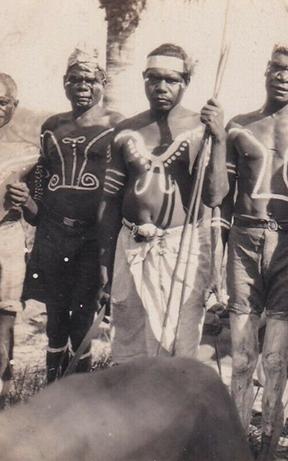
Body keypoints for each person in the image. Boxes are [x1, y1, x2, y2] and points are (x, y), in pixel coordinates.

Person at [222, 44, 288, 449]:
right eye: (277, 68)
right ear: (266, 71)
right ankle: (233, 442)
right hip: (245, 236)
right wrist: (221, 252)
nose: (283, 77)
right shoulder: (239, 125)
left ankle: (268, 444)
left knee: (276, 358)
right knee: (242, 356)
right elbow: (226, 198)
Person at [97, 43, 228, 362]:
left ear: (186, 83)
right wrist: (104, 261)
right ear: (143, 79)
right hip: (130, 246)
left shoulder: (202, 128)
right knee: (128, 339)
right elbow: (111, 200)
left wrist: (220, 138)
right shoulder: (125, 129)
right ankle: (135, 410)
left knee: (178, 342)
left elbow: (214, 196)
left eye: (171, 80)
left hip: (181, 247)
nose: (161, 87)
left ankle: (172, 410)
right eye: (153, 78)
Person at [19, 48, 123, 382]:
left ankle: (79, 391)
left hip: (93, 236)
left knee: (82, 317)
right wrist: (26, 204)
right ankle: (52, 387)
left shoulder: (117, 126)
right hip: (52, 233)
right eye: (75, 79)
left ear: (102, 83)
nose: (82, 86)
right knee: (55, 316)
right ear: (64, 83)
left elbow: (123, 186)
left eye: (90, 79)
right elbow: (39, 181)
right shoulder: (52, 126)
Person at [0, 72, 40, 392]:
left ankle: (5, 382)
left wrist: (25, 199)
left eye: (3, 102)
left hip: (8, 236)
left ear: (15, 105)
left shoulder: (28, 152)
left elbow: (39, 214)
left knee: (5, 313)